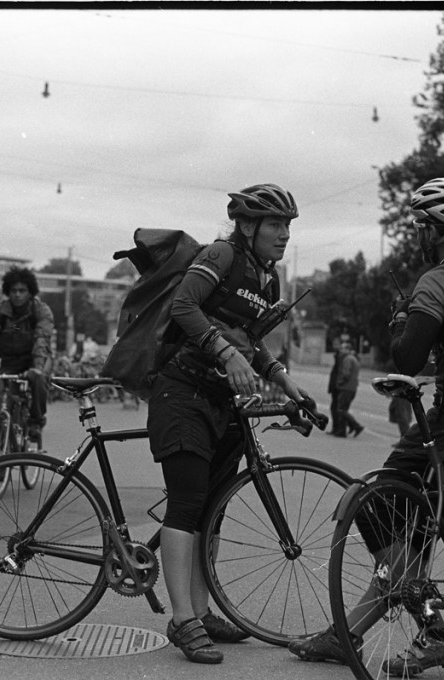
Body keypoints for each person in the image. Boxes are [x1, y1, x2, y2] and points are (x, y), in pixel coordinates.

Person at [289, 177, 444, 675]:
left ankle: (434, 633)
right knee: (417, 541)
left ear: (439, 228)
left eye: (422, 225)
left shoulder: (439, 280)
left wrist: (403, 319)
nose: (419, 235)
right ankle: (350, 635)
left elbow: (407, 357)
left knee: (372, 502)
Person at [149, 183, 312, 664]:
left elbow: (250, 342)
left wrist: (282, 379)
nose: (284, 234)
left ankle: (200, 615)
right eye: (275, 225)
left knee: (211, 512)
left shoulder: (270, 280)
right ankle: (182, 621)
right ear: (247, 226)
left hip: (223, 404)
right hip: (182, 393)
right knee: (187, 505)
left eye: (288, 226)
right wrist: (222, 351)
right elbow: (184, 306)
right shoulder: (221, 255)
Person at [0, 267, 55, 441]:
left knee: (39, 379)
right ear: (8, 292)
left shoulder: (41, 310)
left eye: (22, 290)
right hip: (10, 360)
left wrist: (37, 368)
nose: (17, 295)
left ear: (30, 292)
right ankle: (2, 439)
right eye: (13, 290)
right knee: (1, 403)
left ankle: (36, 422)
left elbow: (42, 340)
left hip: (36, 359)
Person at [332, 342, 364, 437]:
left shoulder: (347, 359)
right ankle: (343, 430)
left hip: (346, 388)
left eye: (343, 348)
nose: (341, 350)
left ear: (348, 350)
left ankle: (356, 426)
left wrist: (339, 383)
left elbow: (346, 374)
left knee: (341, 410)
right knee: (344, 409)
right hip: (352, 388)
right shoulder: (354, 358)